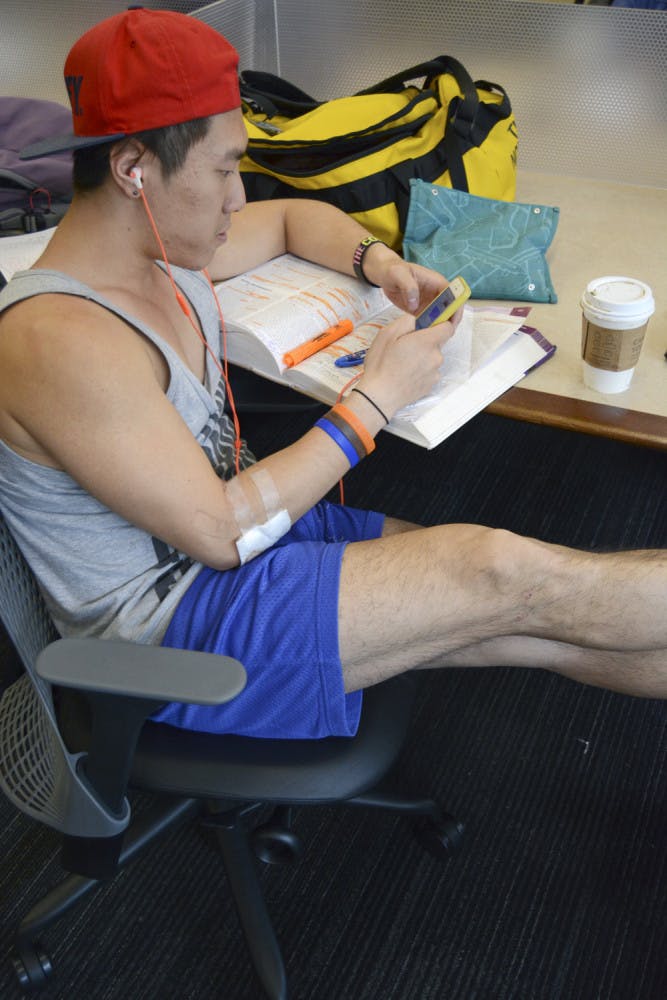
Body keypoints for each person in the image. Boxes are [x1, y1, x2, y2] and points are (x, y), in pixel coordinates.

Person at [0, 10, 665, 742]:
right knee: (500, 572)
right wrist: (373, 398)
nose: (237, 198)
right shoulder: (55, 336)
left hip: (256, 544)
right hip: (177, 628)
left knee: (529, 607)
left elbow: (288, 220)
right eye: (223, 170)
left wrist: (378, 265)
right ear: (134, 169)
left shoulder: (157, 251)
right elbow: (220, 532)